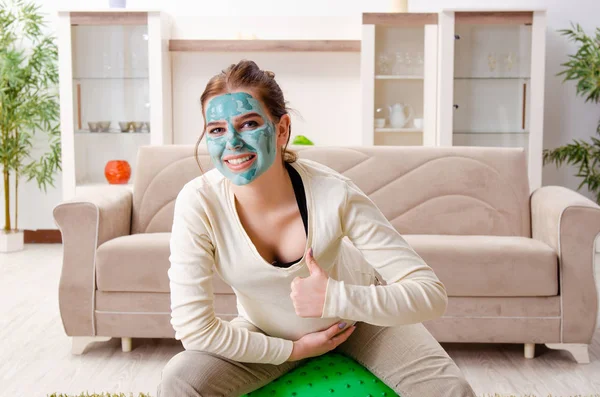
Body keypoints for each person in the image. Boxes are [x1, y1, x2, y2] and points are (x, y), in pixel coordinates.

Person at [157, 60, 476, 397]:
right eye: (217, 130)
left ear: (281, 130)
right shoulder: (198, 202)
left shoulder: (334, 192)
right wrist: (295, 350)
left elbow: (430, 294)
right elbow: (194, 329)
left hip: (360, 322)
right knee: (180, 378)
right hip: (269, 332)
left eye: (248, 124)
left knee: (451, 390)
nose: (232, 142)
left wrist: (336, 297)